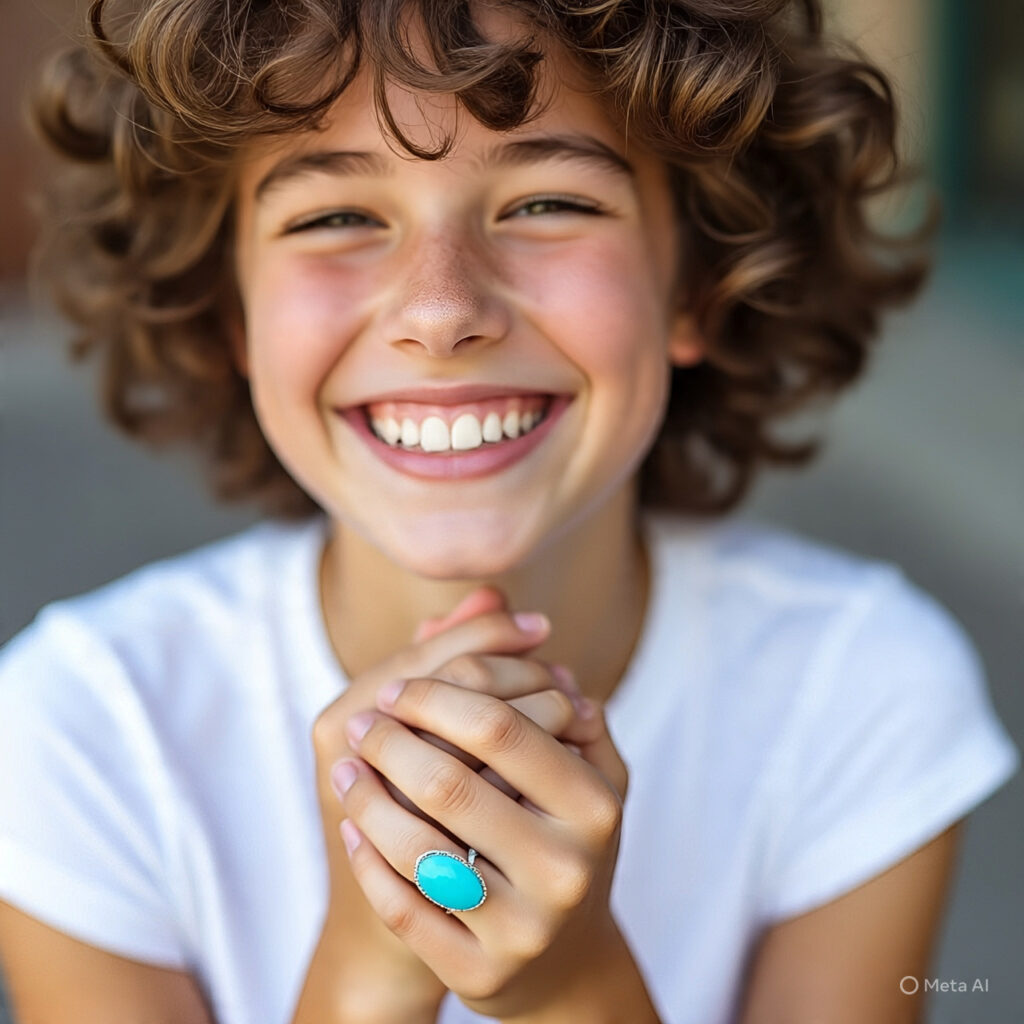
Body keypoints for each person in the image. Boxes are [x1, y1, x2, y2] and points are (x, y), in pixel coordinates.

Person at [0, 0, 1018, 1021]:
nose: (441, 311)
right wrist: (371, 968)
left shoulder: (858, 691)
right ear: (231, 308)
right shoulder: (81, 734)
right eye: (335, 217)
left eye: (545, 204)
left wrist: (572, 986)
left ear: (696, 283)